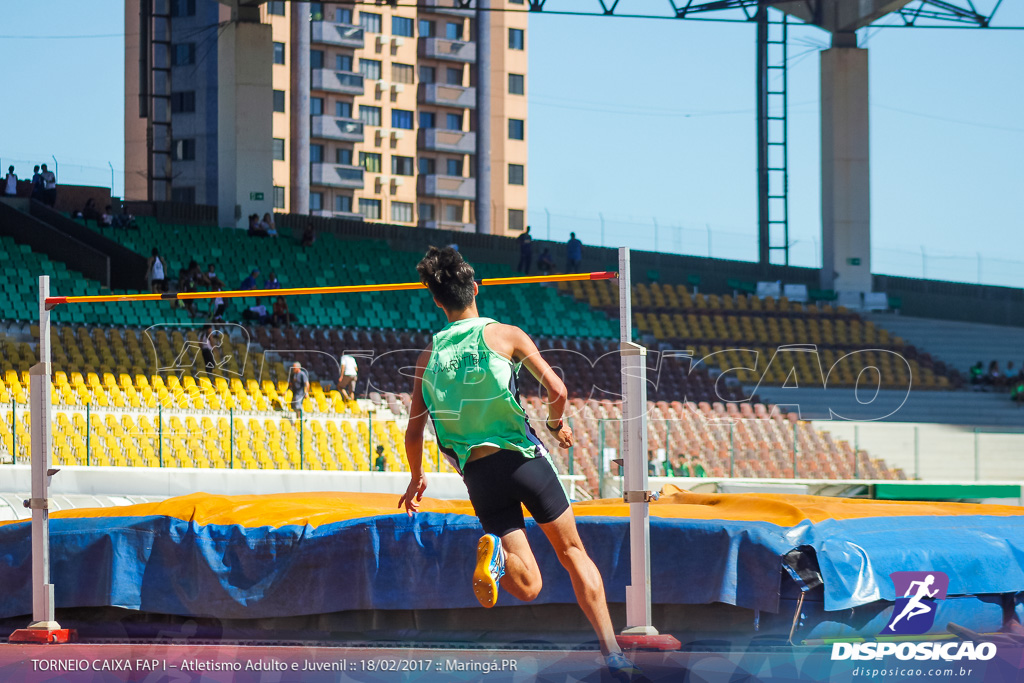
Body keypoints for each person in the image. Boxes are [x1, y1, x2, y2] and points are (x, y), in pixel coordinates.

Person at [399, 246, 640, 680]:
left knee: (527, 585)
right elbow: (558, 390)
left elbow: (414, 432)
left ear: (436, 301)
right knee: (572, 554)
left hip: (478, 475)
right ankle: (614, 656)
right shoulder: (506, 335)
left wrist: (417, 478)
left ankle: (495, 561)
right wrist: (554, 422)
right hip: (523, 460)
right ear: (475, 288)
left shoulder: (427, 358)